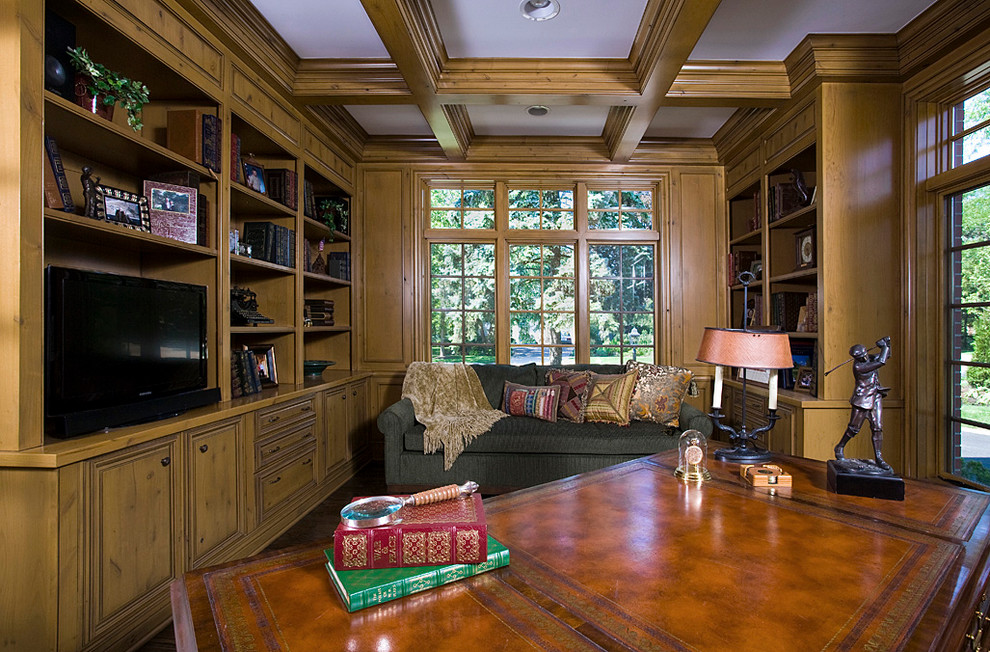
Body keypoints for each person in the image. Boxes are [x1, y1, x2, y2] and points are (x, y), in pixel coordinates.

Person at [834, 336, 892, 470]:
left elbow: (887, 355)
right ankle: (840, 446)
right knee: (854, 429)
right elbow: (882, 361)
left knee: (877, 427)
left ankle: (879, 457)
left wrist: (887, 343)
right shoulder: (859, 366)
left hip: (876, 396)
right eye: (862, 355)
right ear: (857, 357)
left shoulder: (868, 358)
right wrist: (883, 347)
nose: (865, 356)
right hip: (862, 400)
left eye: (865, 353)